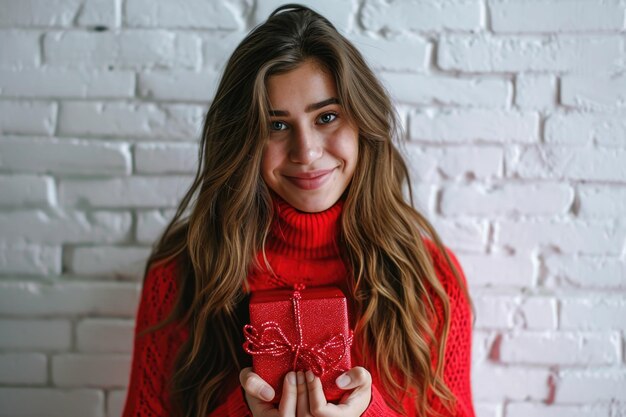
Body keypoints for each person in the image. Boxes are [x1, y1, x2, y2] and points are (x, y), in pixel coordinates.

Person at [122, 4, 475, 417]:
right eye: (276, 125)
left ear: (363, 122)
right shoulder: (184, 271)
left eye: (326, 117)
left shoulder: (429, 278)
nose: (306, 152)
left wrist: (368, 412)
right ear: (243, 139)